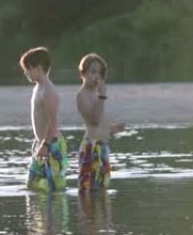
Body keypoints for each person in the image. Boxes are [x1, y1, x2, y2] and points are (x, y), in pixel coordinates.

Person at [20, 47, 69, 192]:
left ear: (39, 68)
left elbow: (53, 122)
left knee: (54, 187)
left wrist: (46, 145)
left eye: (28, 68)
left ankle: (55, 213)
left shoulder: (48, 91)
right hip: (41, 144)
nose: (25, 72)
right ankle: (38, 214)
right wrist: (39, 143)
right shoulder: (38, 88)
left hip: (51, 144)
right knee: (33, 186)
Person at [76, 53, 125, 192]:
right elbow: (94, 120)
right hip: (90, 149)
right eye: (93, 71)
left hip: (102, 147)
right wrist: (102, 96)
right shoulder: (82, 94)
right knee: (88, 190)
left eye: (100, 73)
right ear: (83, 73)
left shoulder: (96, 95)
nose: (96, 76)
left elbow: (99, 126)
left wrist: (113, 128)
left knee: (102, 189)